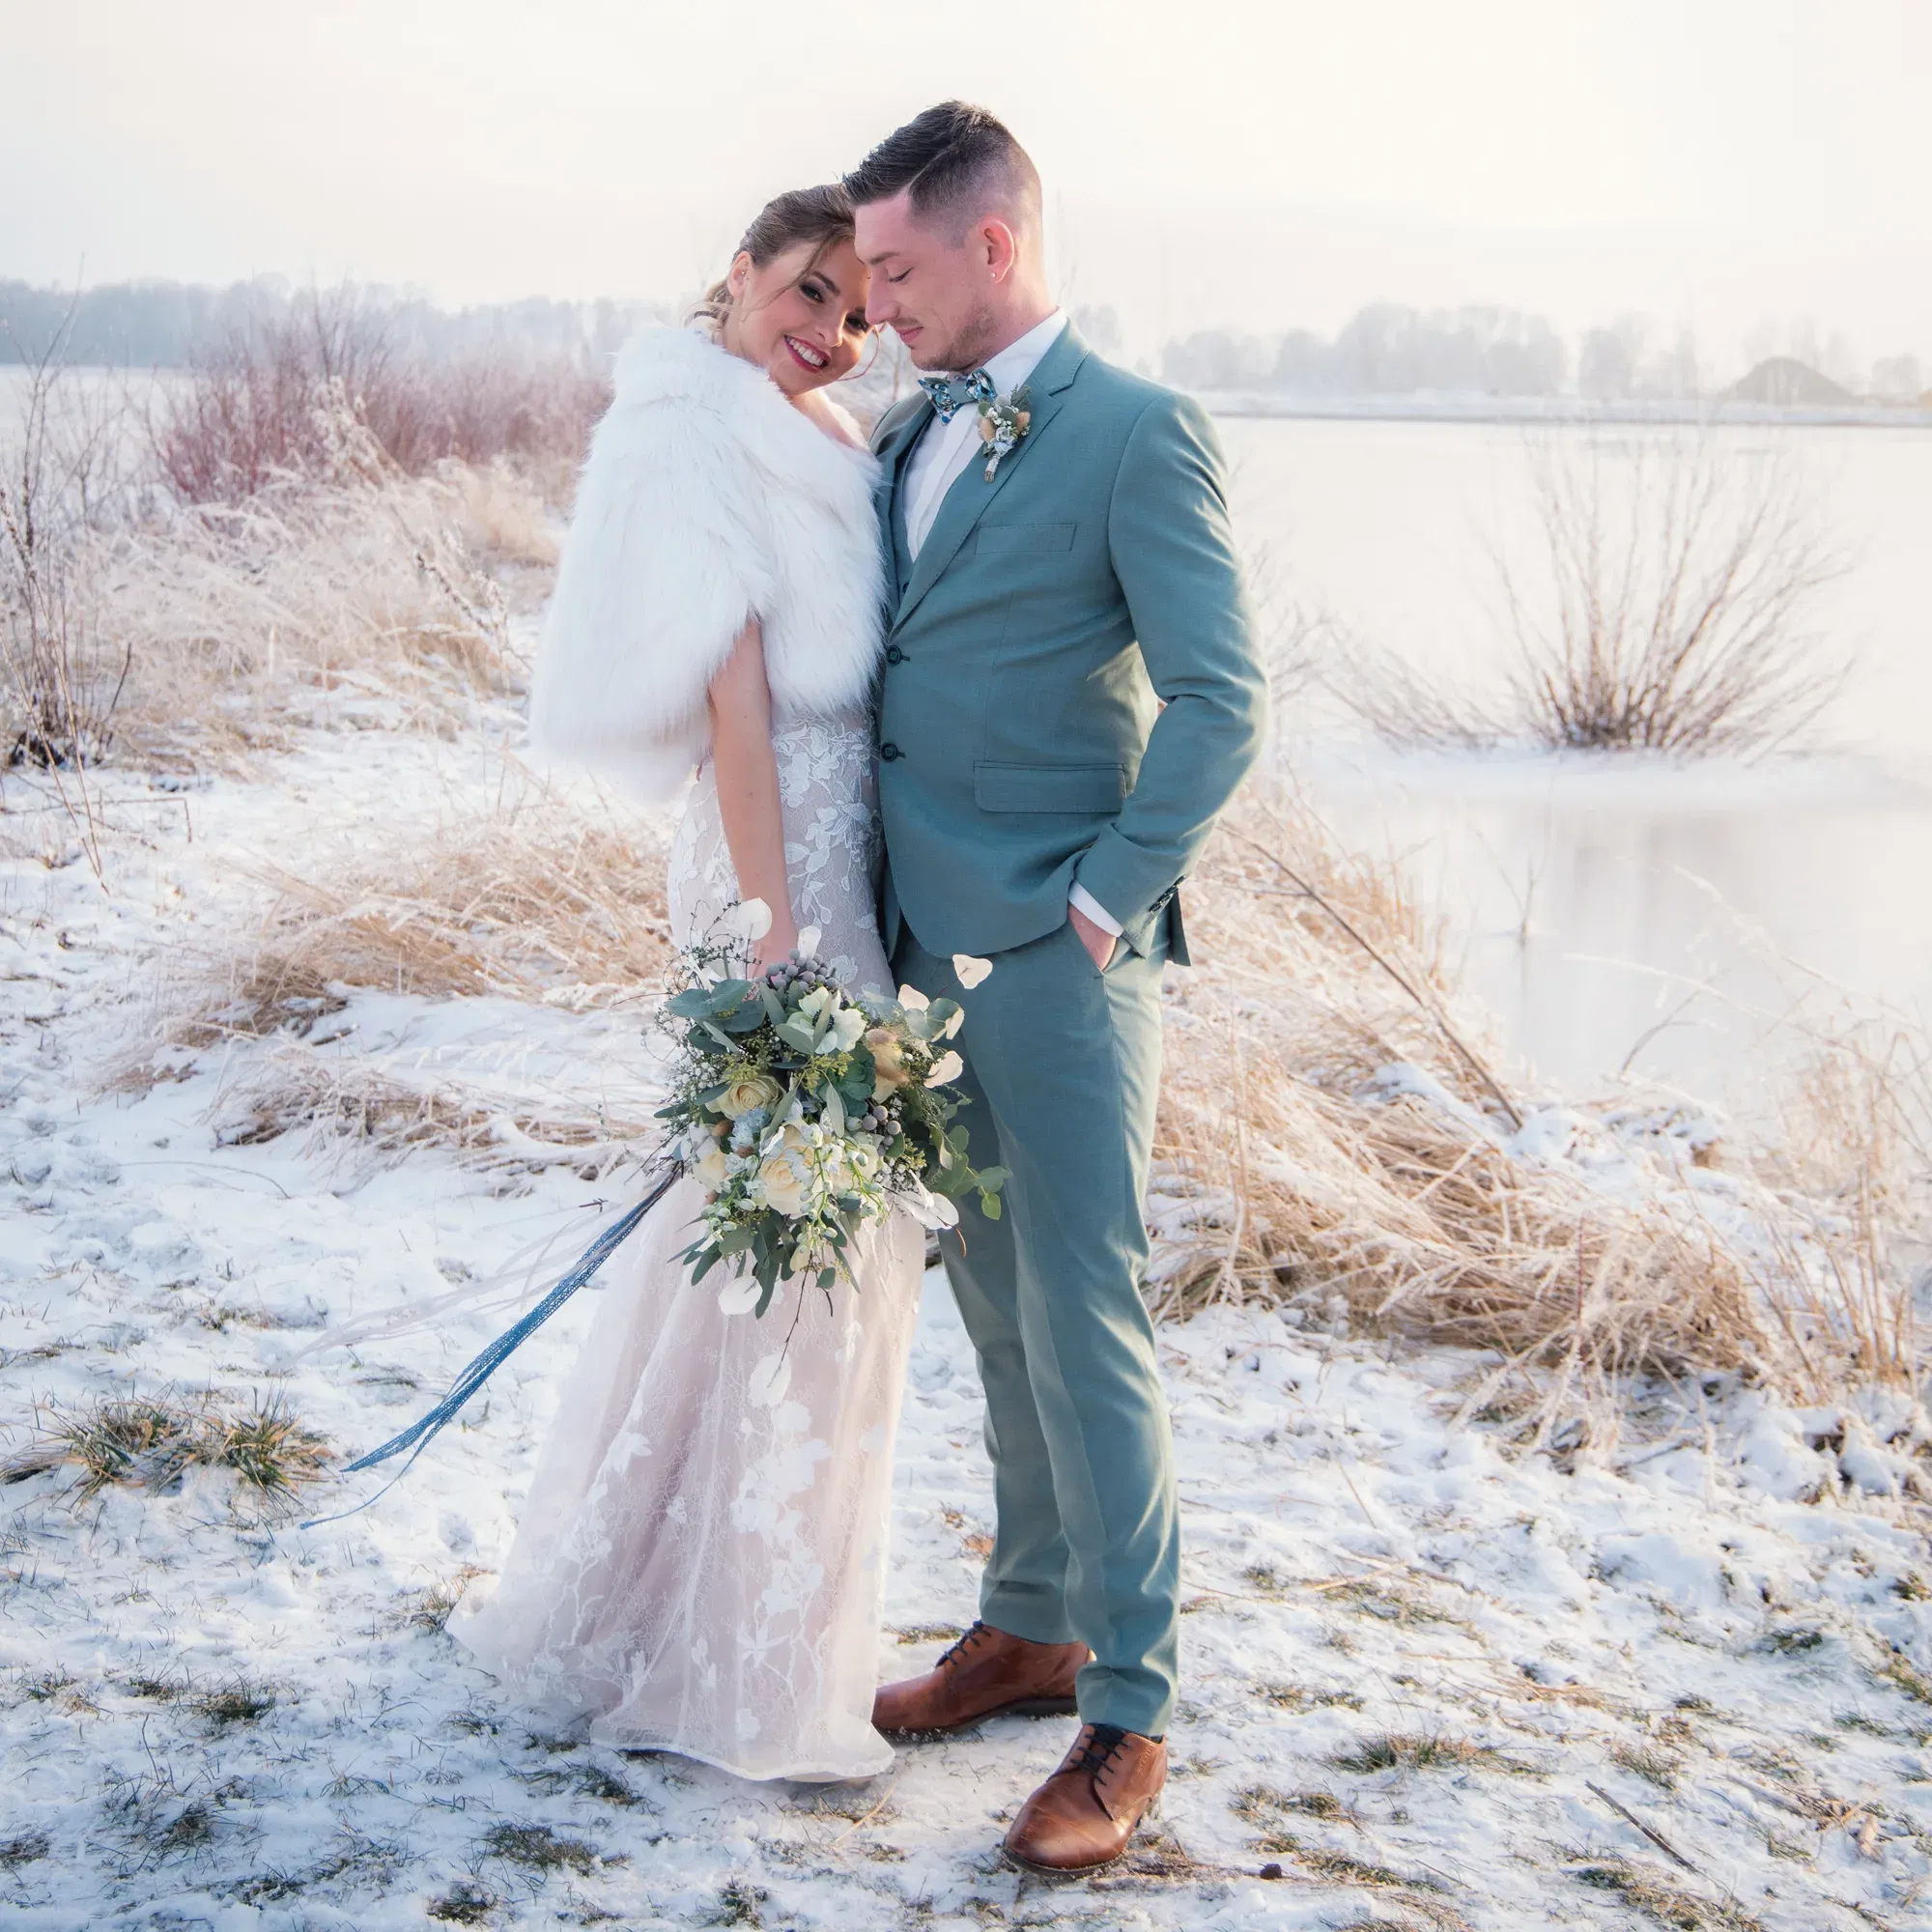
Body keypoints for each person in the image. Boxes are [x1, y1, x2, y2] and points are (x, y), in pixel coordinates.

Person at [447, 185, 928, 1782]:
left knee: (807, 1224)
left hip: (841, 836)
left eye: (856, 309)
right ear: (740, 270)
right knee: (788, 1218)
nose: (831, 331)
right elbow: (734, 706)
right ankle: (723, 1645)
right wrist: (775, 933)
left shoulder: (820, 425)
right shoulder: (694, 427)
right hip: (768, 853)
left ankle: (736, 1603)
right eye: (807, 291)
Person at [847, 103, 1267, 1874]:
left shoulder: (1136, 431)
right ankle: (1029, 1627)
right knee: (994, 1301)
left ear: (993, 243)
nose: (873, 305)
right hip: (916, 949)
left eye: (895, 269)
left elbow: (1223, 698)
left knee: (1089, 1319)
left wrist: (1105, 899)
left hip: (1060, 954)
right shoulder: (904, 429)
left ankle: (1132, 1710)